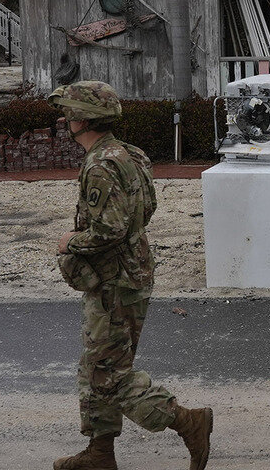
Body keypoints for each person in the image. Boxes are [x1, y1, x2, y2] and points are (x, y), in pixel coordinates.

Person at [49, 81, 213, 470]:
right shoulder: (130, 154)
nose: (64, 118)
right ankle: (100, 454)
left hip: (114, 281)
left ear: (82, 118)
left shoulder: (101, 163)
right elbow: (146, 209)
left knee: (109, 375)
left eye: (68, 112)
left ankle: (187, 421)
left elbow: (111, 229)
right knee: (97, 367)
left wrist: (70, 243)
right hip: (127, 272)